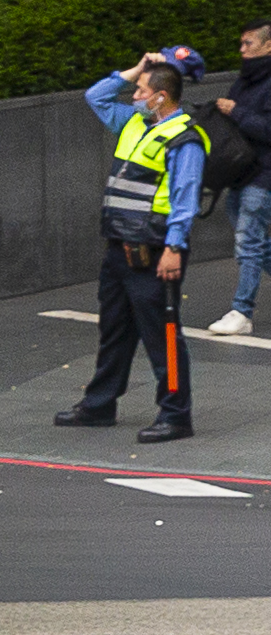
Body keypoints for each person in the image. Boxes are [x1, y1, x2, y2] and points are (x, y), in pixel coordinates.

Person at [60, 45, 212, 443]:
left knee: (163, 333)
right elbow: (95, 96)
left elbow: (185, 199)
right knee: (114, 329)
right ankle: (99, 405)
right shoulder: (133, 122)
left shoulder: (184, 139)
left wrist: (174, 248)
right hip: (119, 246)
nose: (135, 96)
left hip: (155, 250)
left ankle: (176, 415)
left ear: (161, 97)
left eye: (142, 90)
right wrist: (136, 69)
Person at [203, 22, 271, 339]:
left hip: (265, 175)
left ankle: (242, 312)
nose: (242, 50)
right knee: (254, 243)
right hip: (240, 173)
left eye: (249, 43)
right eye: (241, 43)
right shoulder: (245, 81)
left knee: (248, 241)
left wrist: (236, 111)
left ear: (268, 45)